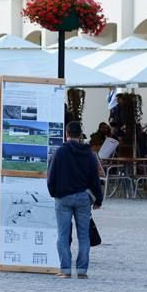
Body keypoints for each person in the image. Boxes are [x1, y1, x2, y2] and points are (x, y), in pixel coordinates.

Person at [47, 120, 103, 279]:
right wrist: (98, 199)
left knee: (63, 235)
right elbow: (95, 179)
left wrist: (54, 193)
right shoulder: (89, 154)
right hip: (83, 198)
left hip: (63, 198)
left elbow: (51, 177)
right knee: (83, 235)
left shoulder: (59, 153)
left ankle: (65, 269)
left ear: (66, 134)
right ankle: (82, 271)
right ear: (80, 135)